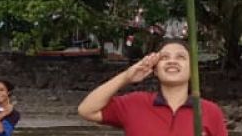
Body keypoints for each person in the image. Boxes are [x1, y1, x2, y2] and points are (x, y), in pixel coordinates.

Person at [77, 38, 228, 136]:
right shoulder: (134, 103)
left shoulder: (210, 111)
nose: (172, 61)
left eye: (180, 57)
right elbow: (86, 110)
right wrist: (126, 77)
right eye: (164, 57)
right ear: (155, 69)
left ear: (193, 70)